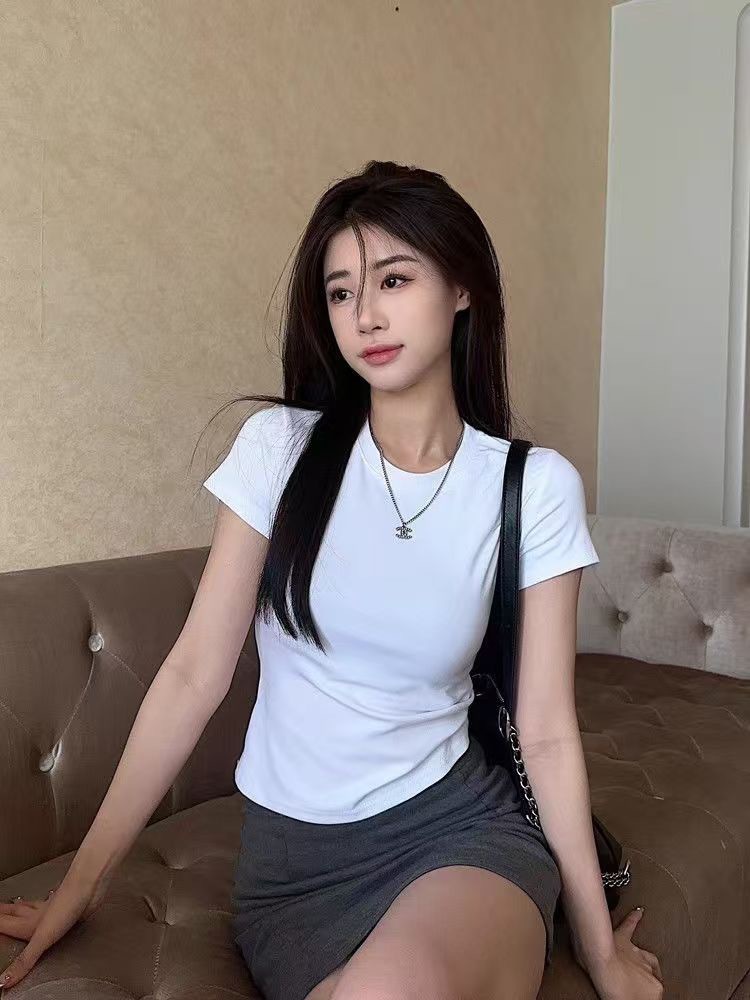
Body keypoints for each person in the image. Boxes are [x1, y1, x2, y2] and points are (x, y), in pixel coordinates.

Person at [0, 160, 663, 1000]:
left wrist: (600, 953)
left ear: (462, 288)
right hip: (293, 875)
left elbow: (547, 732)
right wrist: (82, 885)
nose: (365, 315)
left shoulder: (532, 488)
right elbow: (192, 675)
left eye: (394, 279)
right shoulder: (280, 451)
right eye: (342, 291)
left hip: (458, 837)